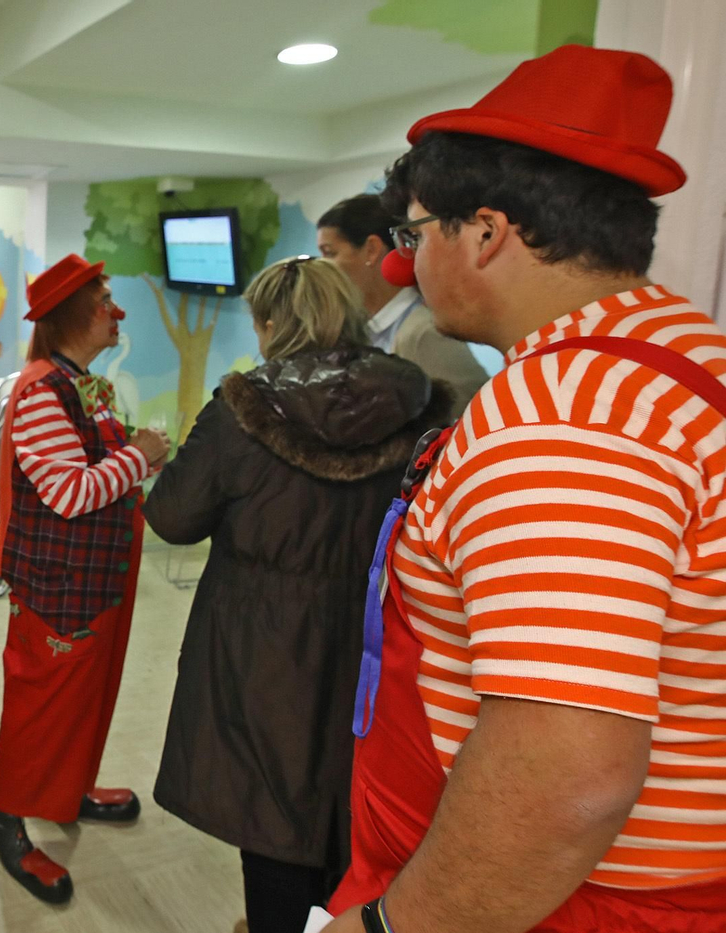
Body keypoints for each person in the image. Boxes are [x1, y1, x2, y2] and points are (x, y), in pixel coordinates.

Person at [323, 45, 726, 933]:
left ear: (486, 232)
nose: (407, 263)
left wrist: (393, 925)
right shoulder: (677, 350)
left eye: (415, 234)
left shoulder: (567, 414)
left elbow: (568, 773)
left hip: (558, 905)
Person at [142, 256, 450, 933]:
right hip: (376, 642)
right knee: (350, 798)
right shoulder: (418, 399)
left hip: (262, 646)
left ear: (273, 323)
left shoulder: (242, 408)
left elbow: (171, 516)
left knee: (272, 805)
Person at [0, 253, 170, 904]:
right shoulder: (42, 391)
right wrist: (140, 456)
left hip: (95, 582)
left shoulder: (82, 382)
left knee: (87, 698)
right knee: (41, 707)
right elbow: (69, 491)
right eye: (104, 301)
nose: (116, 312)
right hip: (58, 588)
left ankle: (69, 788)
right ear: (69, 316)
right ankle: (6, 813)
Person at [318, 193, 488, 418]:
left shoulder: (423, 331)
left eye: (330, 253)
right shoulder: (361, 331)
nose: (321, 268)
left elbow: (474, 410)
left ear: (371, 249)